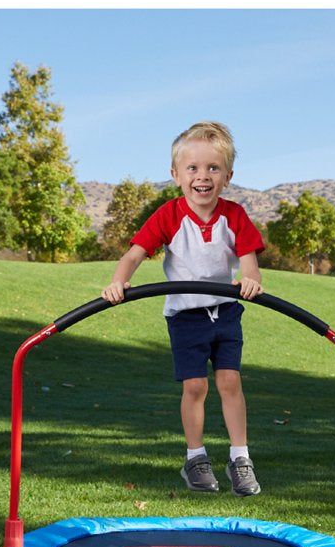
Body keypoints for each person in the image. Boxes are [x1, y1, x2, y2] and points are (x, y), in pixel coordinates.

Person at [102, 121, 264, 496]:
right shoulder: (169, 216)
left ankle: (240, 459)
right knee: (195, 385)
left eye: (212, 168)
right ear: (176, 175)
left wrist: (251, 279)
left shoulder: (234, 215)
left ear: (227, 176)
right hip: (186, 315)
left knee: (230, 381)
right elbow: (134, 255)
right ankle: (196, 458)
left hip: (225, 310)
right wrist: (117, 281)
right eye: (192, 168)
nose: (202, 177)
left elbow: (248, 260)